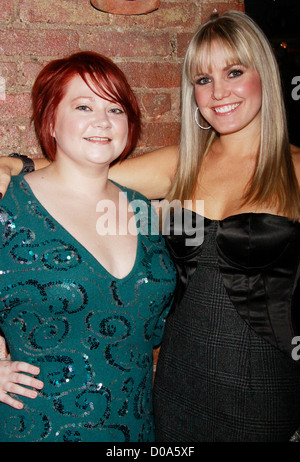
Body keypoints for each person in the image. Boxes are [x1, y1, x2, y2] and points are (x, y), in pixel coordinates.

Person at [0, 10, 300, 442]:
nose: (218, 93)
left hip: (263, 389)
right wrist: (20, 164)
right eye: (202, 80)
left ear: (265, 77)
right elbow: (88, 169)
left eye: (234, 72)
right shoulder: (182, 163)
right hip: (173, 389)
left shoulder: (295, 169)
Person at [0, 51, 176, 442]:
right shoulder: (8, 204)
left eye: (115, 109)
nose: (102, 121)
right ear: (51, 121)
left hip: (135, 426)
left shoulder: (140, 207)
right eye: (83, 106)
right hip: (36, 426)